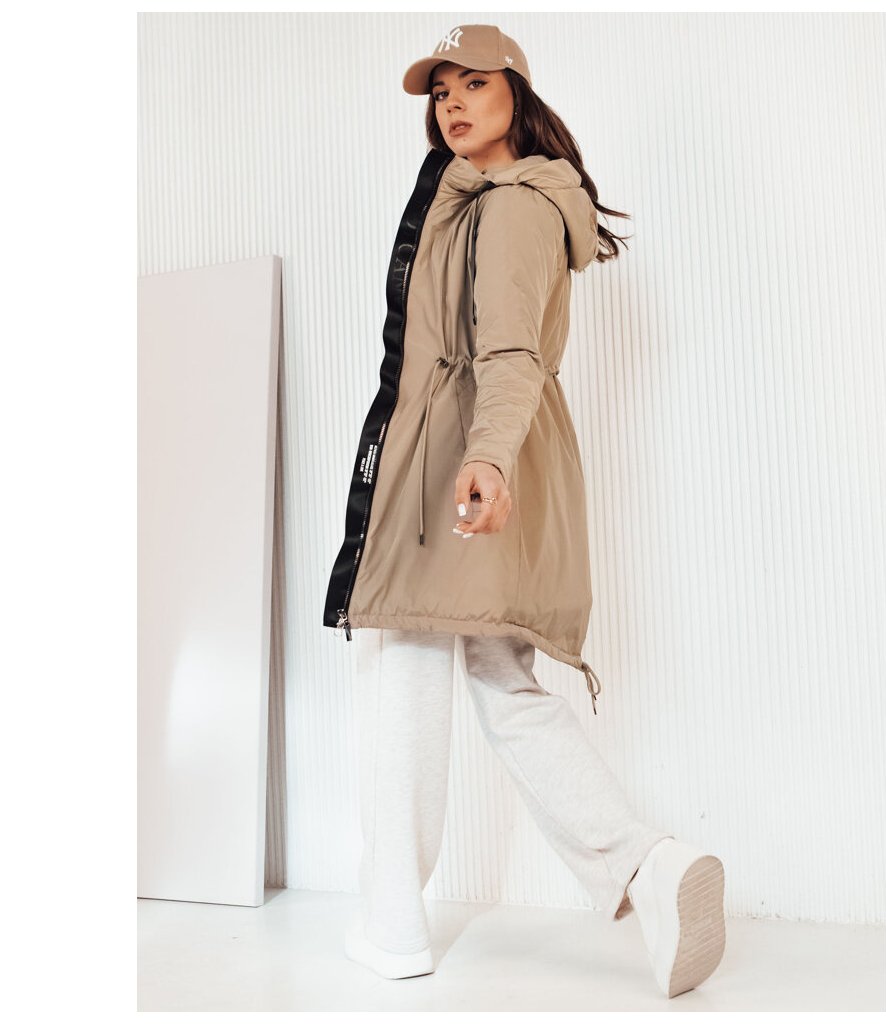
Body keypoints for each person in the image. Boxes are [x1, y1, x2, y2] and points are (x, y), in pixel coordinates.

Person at [324, 24, 726, 998]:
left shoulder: (507, 204)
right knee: (498, 676)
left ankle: (392, 921)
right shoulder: (491, 198)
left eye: (474, 84)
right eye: (440, 92)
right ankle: (646, 866)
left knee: (403, 657)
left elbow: (508, 353)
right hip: (482, 457)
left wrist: (485, 460)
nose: (453, 104)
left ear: (518, 95)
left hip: (458, 463)